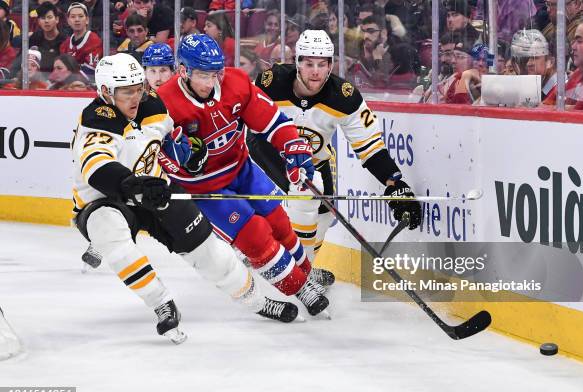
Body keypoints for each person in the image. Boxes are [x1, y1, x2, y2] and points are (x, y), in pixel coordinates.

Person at [72, 53, 301, 344]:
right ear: (105, 92)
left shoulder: (152, 104)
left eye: (138, 88)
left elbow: (173, 138)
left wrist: (191, 154)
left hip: (156, 193)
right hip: (106, 200)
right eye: (126, 92)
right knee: (107, 227)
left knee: (212, 255)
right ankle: (161, 302)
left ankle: (257, 302)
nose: (135, 97)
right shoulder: (97, 121)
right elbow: (97, 168)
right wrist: (132, 184)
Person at [156, 34, 330, 317]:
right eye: (202, 75)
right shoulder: (162, 103)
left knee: (279, 223)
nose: (211, 82)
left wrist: (293, 146)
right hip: (205, 189)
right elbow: (155, 155)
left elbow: (271, 121)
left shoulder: (235, 82)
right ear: (184, 71)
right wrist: (181, 162)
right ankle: (301, 289)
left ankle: (307, 274)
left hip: (242, 169)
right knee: (256, 235)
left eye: (215, 73)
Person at [248, 30, 422, 285]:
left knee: (324, 212)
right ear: (297, 62)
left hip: (314, 161)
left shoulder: (345, 96)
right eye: (308, 64)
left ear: (331, 65)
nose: (315, 72)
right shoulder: (270, 82)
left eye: (322, 64)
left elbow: (371, 146)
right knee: (304, 196)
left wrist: (394, 183)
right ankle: (297, 278)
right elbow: (246, 125)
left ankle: (299, 267)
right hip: (268, 152)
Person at [59, 2, 102, 77]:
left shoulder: (94, 41)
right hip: (67, 85)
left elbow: (90, 70)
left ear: (87, 20)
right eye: (73, 17)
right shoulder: (64, 45)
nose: (77, 20)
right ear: (68, 21)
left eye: (80, 16)